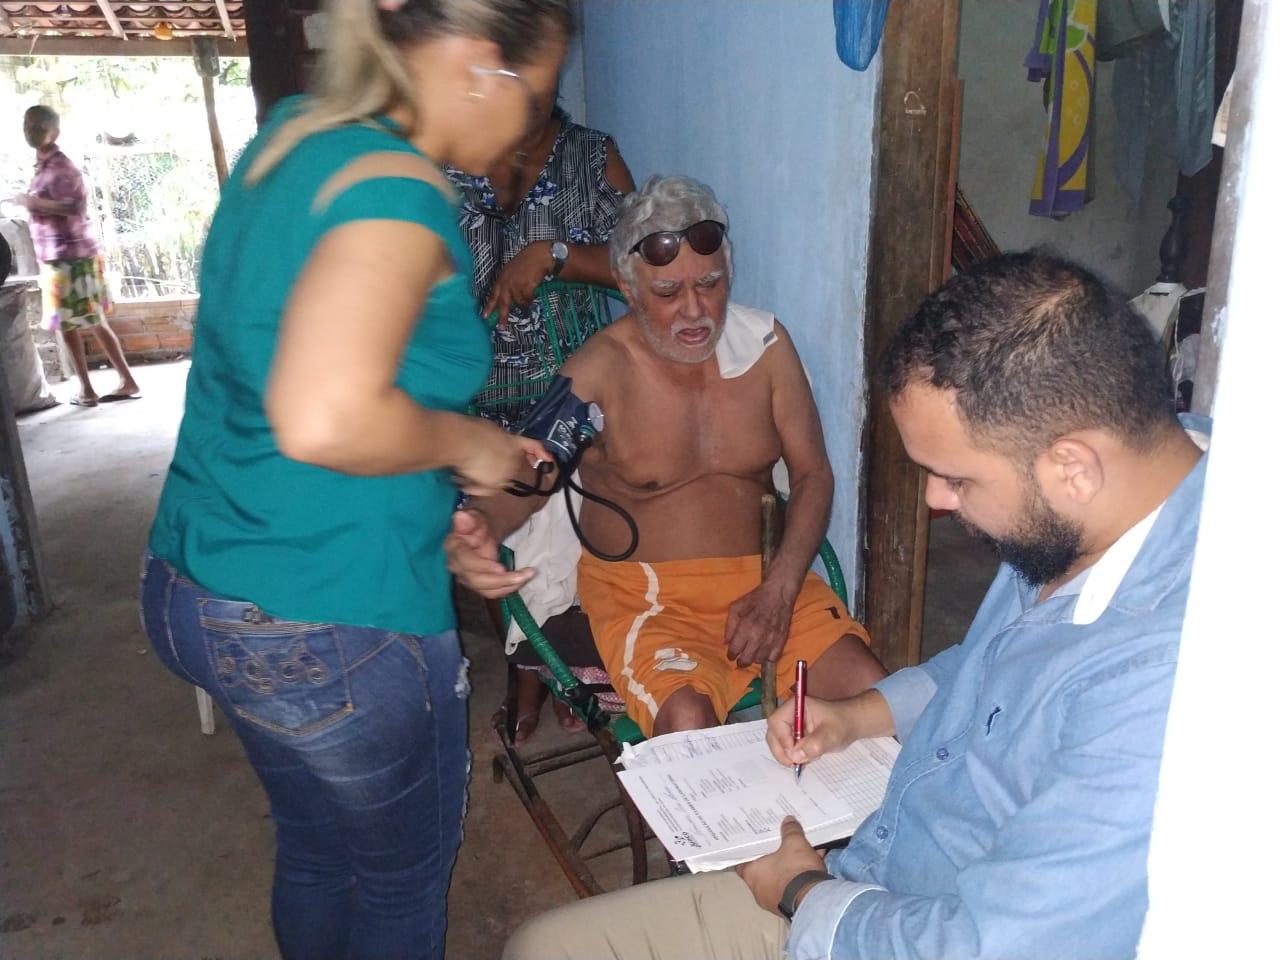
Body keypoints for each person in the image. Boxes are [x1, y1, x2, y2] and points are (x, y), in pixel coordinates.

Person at [500, 251, 1208, 960]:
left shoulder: (1166, 684)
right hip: (877, 874)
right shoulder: (1093, 518)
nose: (935, 500)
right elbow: (986, 665)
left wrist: (800, 892)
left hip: (896, 928)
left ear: (1073, 467)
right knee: (543, 946)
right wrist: (856, 717)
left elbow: (990, 947)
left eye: (956, 479)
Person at [139, 2, 571, 959]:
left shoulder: (296, 134)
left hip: (201, 582)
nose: (527, 128)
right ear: (476, 65)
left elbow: (292, 380)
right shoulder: (398, 194)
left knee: (318, 846)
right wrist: (472, 446)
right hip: (324, 611)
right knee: (399, 880)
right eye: (533, 97)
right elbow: (326, 416)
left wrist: (437, 518)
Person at [449, 174, 887, 740]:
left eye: (710, 283)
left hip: (767, 580)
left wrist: (778, 590)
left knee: (875, 699)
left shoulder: (765, 347)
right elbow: (535, 470)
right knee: (687, 726)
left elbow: (812, 476)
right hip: (649, 600)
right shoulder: (601, 370)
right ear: (629, 292)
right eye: (666, 293)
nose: (694, 311)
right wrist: (481, 527)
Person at [446, 87, 635, 744]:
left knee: (571, 547)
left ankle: (561, 667)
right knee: (494, 545)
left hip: (572, 397)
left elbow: (645, 269)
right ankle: (522, 673)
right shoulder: (453, 161)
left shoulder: (592, 158)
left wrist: (557, 256)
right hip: (476, 399)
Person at [11, 105, 141, 407]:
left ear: (53, 131)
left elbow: (73, 207)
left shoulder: (61, 167)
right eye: (27, 124)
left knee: (77, 323)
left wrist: (32, 202)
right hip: (63, 256)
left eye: (36, 125)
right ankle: (109, 383)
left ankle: (93, 388)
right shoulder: (43, 167)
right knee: (81, 322)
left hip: (70, 257)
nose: (29, 130)